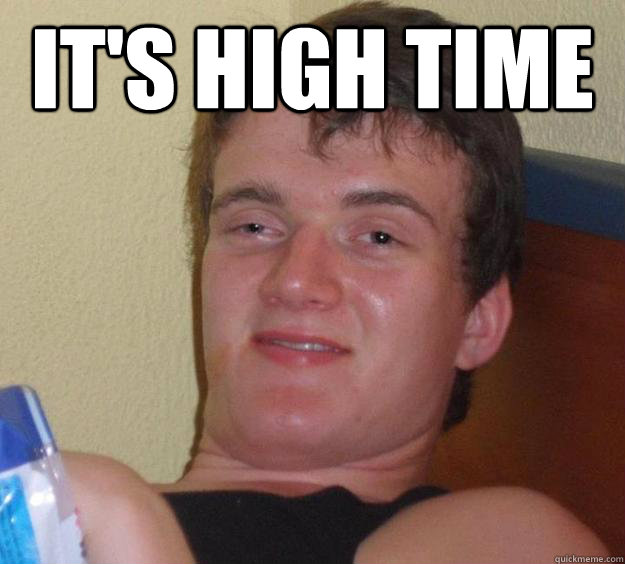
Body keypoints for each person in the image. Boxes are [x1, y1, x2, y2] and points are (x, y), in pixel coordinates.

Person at [65, 2, 609, 563]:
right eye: (254, 226)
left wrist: (126, 522)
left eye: (378, 236)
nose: (295, 281)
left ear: (478, 322)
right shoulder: (72, 507)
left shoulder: (516, 540)